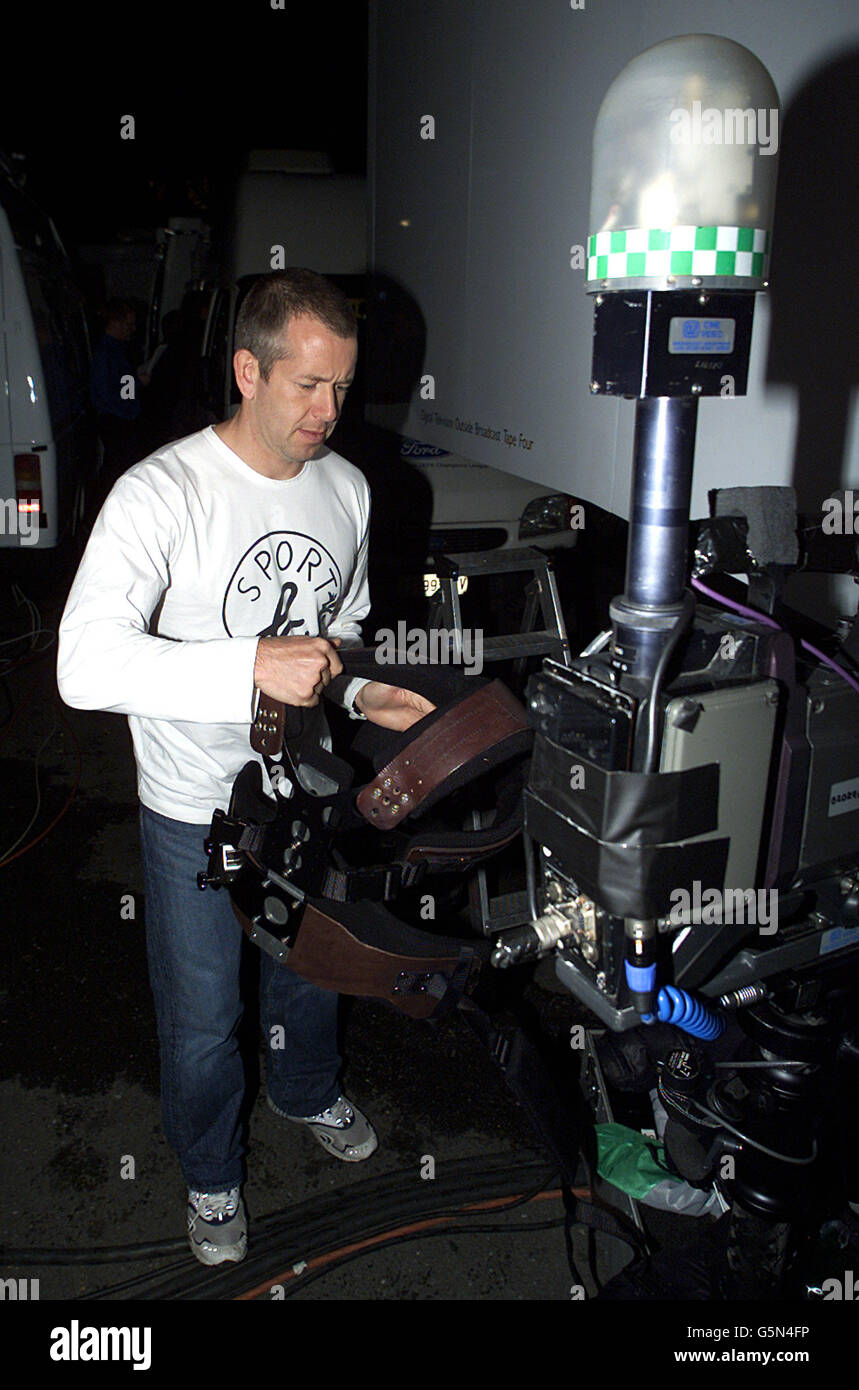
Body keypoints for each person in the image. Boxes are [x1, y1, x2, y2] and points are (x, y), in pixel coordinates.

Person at [57, 269, 433, 1266]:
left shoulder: (346, 488)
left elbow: (333, 635)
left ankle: (304, 1089)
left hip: (300, 797)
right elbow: (82, 665)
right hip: (192, 809)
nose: (327, 412)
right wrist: (248, 666)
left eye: (344, 389)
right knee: (202, 1016)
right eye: (306, 386)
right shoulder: (163, 492)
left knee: (308, 971)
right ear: (246, 371)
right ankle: (212, 1175)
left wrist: (357, 694)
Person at [89, 299, 150, 477]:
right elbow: (117, 389)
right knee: (116, 468)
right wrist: (138, 382)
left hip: (120, 416)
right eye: (128, 324)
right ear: (115, 322)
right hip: (116, 417)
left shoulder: (114, 349)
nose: (132, 329)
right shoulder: (109, 352)